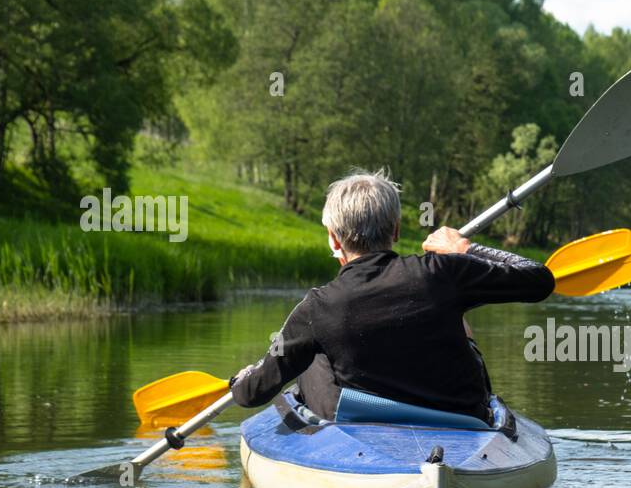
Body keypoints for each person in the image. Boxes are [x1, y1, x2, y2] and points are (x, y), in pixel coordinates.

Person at [229, 168, 553, 424]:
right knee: (461, 325)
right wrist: (465, 251)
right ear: (396, 230)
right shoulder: (443, 272)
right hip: (461, 417)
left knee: (313, 355)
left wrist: (240, 379)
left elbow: (253, 393)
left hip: (369, 419)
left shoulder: (317, 306)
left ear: (333, 239)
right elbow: (540, 279)